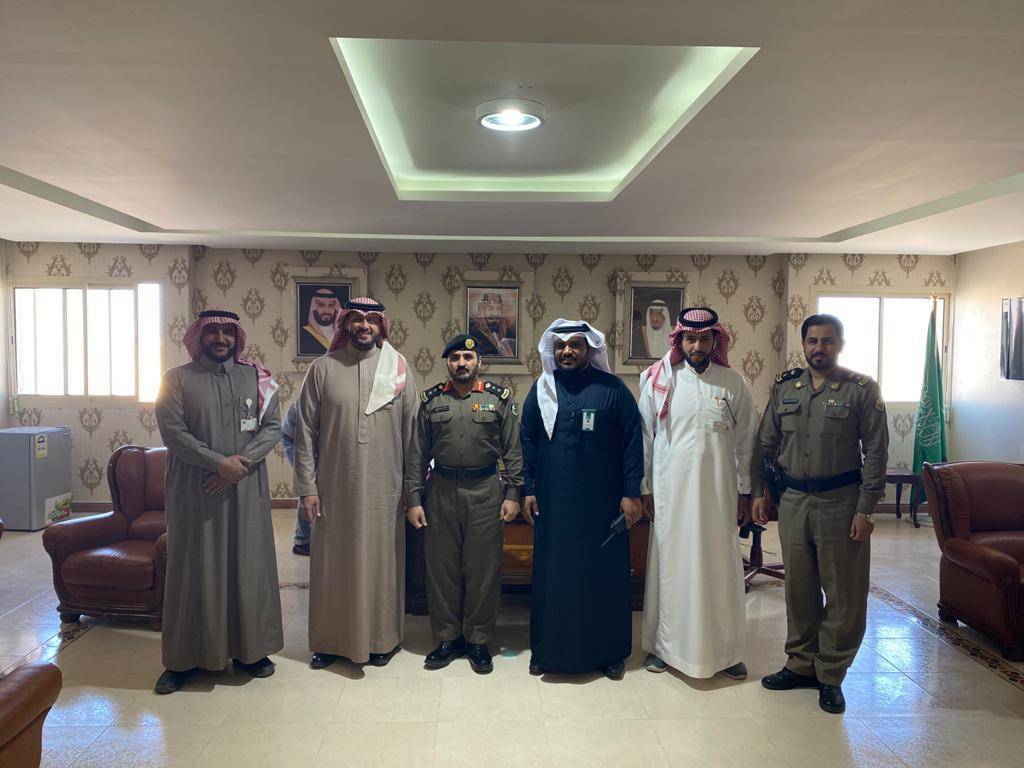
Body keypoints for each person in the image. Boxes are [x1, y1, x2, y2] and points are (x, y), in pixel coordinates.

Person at [751, 313, 889, 714]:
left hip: (841, 502)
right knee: (799, 589)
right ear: (804, 344)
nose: (819, 348)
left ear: (840, 344)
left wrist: (867, 508)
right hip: (794, 500)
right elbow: (766, 443)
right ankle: (800, 664)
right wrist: (762, 492)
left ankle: (831, 673)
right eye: (812, 341)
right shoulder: (786, 388)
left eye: (827, 341)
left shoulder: (861, 390)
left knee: (844, 593)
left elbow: (877, 452)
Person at [154, 308, 283, 694]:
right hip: (195, 490)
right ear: (199, 336)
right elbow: (173, 434)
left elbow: (272, 427)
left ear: (237, 337)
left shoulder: (257, 377)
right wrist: (217, 464)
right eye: (213, 332)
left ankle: (251, 652)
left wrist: (236, 467)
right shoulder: (175, 379)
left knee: (247, 567)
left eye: (228, 332)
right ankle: (183, 659)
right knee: (194, 569)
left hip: (245, 489)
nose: (221, 339)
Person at [293, 297, 419, 669]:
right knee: (333, 565)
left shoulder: (398, 369)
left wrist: (413, 494)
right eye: (357, 319)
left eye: (372, 320)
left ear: (382, 326)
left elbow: (413, 438)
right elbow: (303, 433)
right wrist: (307, 487)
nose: (365, 326)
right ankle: (330, 642)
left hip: (386, 491)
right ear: (345, 323)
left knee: (382, 565)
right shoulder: (322, 368)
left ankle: (382, 640)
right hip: (334, 490)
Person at [520, 319, 644, 680]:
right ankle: (546, 651)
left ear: (589, 348)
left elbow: (632, 443)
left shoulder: (612, 390)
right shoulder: (542, 390)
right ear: (552, 350)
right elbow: (527, 440)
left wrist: (631, 493)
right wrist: (528, 488)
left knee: (604, 576)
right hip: (553, 504)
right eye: (560, 346)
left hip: (602, 503)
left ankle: (610, 653)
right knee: (552, 576)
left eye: (575, 345)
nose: (567, 351)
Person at [638, 307, 757, 679]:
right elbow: (644, 438)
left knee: (720, 568)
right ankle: (664, 647)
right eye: (690, 338)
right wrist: (644, 489)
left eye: (705, 339)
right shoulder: (660, 379)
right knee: (671, 568)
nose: (697, 345)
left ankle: (726, 651)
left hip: (719, 497)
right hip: (671, 494)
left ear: (715, 341)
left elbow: (747, 443)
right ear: (679, 340)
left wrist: (745, 493)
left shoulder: (733, 382)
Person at [405, 334, 523, 673]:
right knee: (441, 570)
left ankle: (478, 639)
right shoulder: (430, 402)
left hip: (485, 490)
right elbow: (416, 455)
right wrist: (414, 498)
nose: (462, 363)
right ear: (447, 363)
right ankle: (447, 638)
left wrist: (513, 493)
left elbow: (513, 451)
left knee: (483, 569)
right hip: (440, 490)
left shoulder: (498, 400)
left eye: (468, 357)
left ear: (479, 363)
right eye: (455, 357)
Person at [280, 400, 311, 556]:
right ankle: (302, 541)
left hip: (307, 440)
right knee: (308, 485)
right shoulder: (312, 398)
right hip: (293, 439)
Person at [470, 292, 516, 357]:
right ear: (482, 311)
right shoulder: (473, 335)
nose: (495, 313)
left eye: (498, 309)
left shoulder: (509, 334)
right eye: (490, 309)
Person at [301, 287, 343, 353]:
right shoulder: (305, 333)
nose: (326, 311)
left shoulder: (343, 335)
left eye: (331, 305)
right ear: (313, 307)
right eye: (321, 305)